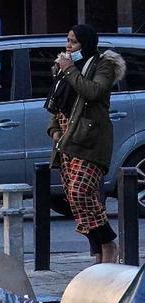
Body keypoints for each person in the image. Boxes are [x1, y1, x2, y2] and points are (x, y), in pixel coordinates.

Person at [48, 24, 126, 263]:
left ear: (87, 43)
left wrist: (70, 70)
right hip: (67, 138)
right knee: (76, 199)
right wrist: (53, 129)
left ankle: (108, 244)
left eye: (74, 42)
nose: (68, 46)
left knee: (80, 191)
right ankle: (99, 249)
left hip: (90, 139)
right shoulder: (63, 69)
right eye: (67, 40)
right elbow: (57, 101)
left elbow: (94, 92)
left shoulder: (103, 64)